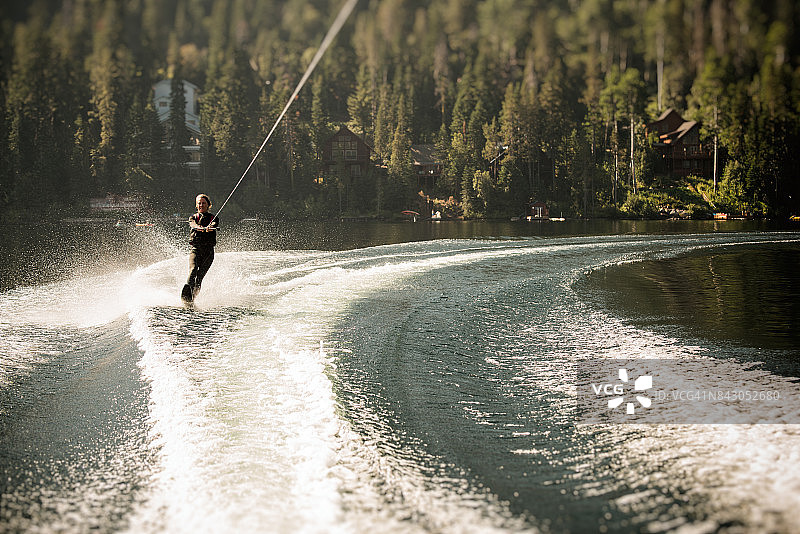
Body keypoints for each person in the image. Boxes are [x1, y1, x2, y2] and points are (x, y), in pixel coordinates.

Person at [182, 193, 219, 303]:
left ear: (208, 205)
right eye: (199, 203)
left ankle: (193, 298)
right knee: (193, 270)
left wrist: (210, 228)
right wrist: (201, 228)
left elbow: (214, 224)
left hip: (208, 253)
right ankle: (187, 293)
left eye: (203, 203)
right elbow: (193, 225)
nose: (201, 205)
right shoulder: (193, 218)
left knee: (199, 278)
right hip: (196, 250)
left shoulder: (214, 218)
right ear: (196, 205)